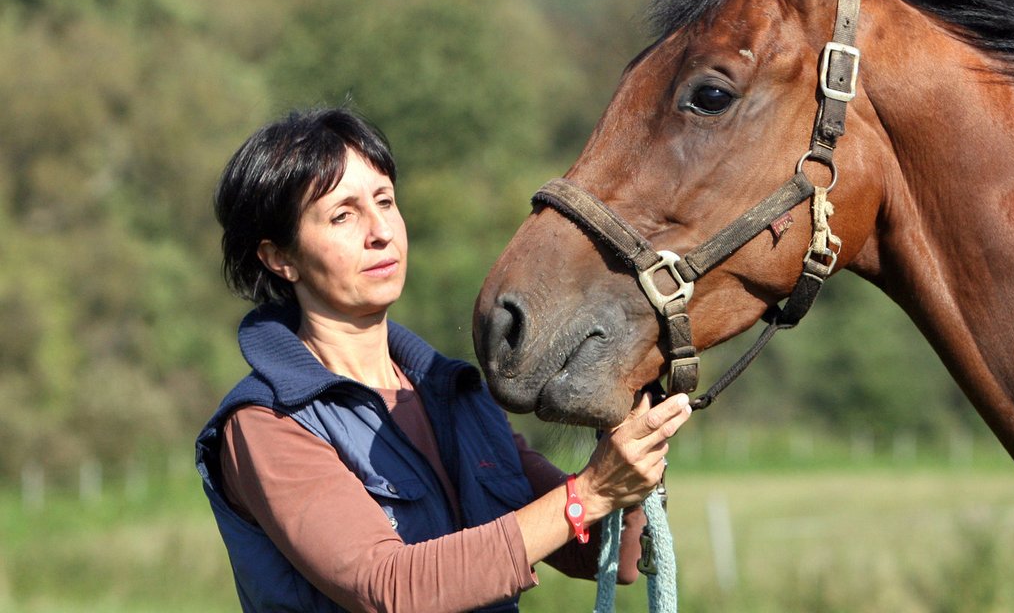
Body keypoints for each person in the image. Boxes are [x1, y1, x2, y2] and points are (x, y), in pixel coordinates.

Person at [195, 107, 692, 613]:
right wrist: (588, 493)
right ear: (280, 258)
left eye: (385, 201)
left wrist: (630, 449)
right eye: (343, 215)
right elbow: (388, 588)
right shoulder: (266, 424)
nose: (380, 231)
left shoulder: (453, 396)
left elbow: (609, 559)